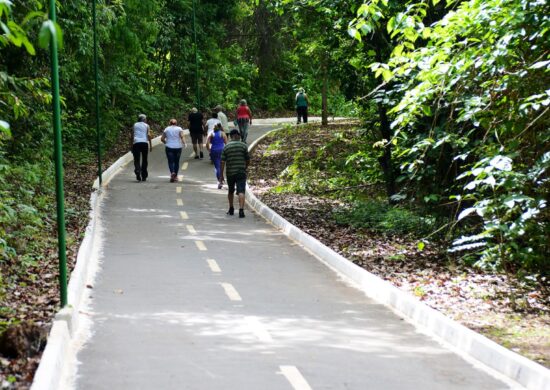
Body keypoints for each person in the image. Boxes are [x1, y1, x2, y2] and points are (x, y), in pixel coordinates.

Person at [220, 129, 250, 218]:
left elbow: (222, 162)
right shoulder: (243, 146)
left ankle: (231, 208)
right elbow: (248, 160)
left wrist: (221, 175)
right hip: (241, 172)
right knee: (241, 191)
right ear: (237, 135)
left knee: (231, 191)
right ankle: (241, 210)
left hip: (230, 172)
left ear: (230, 136)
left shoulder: (226, 147)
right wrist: (245, 167)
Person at [130, 114, 152, 182]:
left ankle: (137, 170)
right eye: (146, 119)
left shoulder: (135, 125)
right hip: (144, 143)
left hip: (136, 143)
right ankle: (144, 175)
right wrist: (150, 145)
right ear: (144, 119)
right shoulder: (147, 126)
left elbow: (132, 135)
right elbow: (149, 135)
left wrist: (131, 145)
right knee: (144, 159)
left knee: (136, 159)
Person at [206, 123, 228, 189]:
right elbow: (226, 143)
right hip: (222, 150)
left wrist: (209, 150)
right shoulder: (222, 133)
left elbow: (207, 143)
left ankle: (219, 181)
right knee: (221, 166)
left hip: (214, 150)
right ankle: (221, 179)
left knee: (217, 166)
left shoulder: (211, 133)